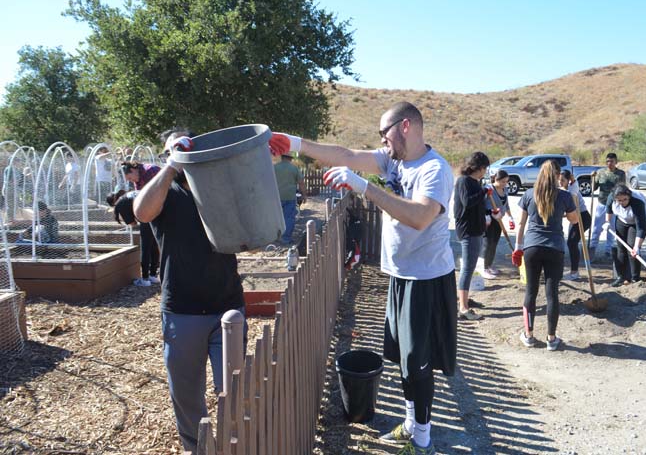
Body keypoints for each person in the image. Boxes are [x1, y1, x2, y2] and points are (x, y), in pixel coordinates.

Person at [270, 102, 455, 455]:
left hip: (427, 279)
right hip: (402, 274)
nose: (381, 143)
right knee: (402, 359)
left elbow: (419, 216)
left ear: (405, 126)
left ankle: (423, 440)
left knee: (418, 362)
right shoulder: (393, 159)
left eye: (383, 134)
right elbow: (346, 154)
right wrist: (295, 143)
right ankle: (411, 424)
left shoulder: (435, 170)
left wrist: (364, 188)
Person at [133, 133, 249, 453]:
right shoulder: (162, 192)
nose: (184, 152)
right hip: (181, 310)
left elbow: (250, 228)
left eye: (188, 147)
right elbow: (141, 212)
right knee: (186, 392)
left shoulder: (216, 189)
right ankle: (195, 447)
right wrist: (170, 166)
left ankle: (232, 443)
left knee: (233, 386)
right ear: (166, 154)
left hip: (227, 305)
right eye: (176, 147)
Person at [514, 160, 577, 351]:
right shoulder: (565, 196)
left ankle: (529, 335)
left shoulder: (528, 194)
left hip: (532, 247)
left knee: (531, 292)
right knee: (552, 294)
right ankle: (551, 338)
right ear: (558, 175)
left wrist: (518, 247)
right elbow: (574, 219)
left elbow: (521, 224)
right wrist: (563, 213)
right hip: (555, 248)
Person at [454, 151, 490, 321]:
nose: (485, 171)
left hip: (476, 229)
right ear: (479, 167)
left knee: (470, 266)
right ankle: (463, 307)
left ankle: (465, 300)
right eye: (485, 168)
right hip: (468, 230)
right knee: (467, 268)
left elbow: (477, 205)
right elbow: (468, 202)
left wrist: (490, 214)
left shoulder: (474, 182)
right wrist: (483, 192)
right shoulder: (464, 181)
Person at [605, 184, 646, 285]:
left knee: (631, 248)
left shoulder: (637, 202)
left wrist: (636, 246)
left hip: (640, 222)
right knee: (621, 248)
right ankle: (621, 277)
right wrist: (607, 222)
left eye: (625, 199)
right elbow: (608, 210)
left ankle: (635, 278)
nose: (622, 202)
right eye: (619, 200)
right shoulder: (611, 197)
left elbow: (640, 227)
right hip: (622, 220)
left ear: (629, 196)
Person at [589, 153, 626, 257]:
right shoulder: (600, 172)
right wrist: (592, 178)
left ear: (616, 162)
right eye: (608, 161)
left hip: (615, 205)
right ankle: (592, 247)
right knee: (597, 227)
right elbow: (593, 188)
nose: (609, 163)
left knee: (612, 228)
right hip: (602, 203)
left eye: (612, 161)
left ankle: (608, 250)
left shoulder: (620, 174)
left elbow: (623, 189)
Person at [481, 169, 514, 280]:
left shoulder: (505, 189)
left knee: (494, 244)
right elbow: (480, 205)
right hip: (489, 221)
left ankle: (490, 266)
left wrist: (510, 217)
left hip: (499, 220)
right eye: (503, 181)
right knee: (488, 244)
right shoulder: (489, 189)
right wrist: (489, 213)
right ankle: (484, 269)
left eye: (506, 181)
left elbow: (506, 204)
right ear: (496, 179)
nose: (505, 184)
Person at [560, 170, 591, 280]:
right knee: (571, 243)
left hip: (582, 217)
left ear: (567, 180)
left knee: (572, 243)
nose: (560, 182)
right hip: (575, 217)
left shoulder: (572, 190)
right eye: (559, 180)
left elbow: (573, 209)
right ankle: (574, 271)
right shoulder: (568, 186)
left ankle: (574, 273)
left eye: (562, 180)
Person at [273, 153, 307, 245]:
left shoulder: (274, 167)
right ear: (290, 159)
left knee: (276, 218)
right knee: (288, 218)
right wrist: (304, 195)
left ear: (282, 157)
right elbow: (301, 183)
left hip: (276, 197)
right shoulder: (294, 168)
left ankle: (275, 237)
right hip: (289, 197)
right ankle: (286, 238)